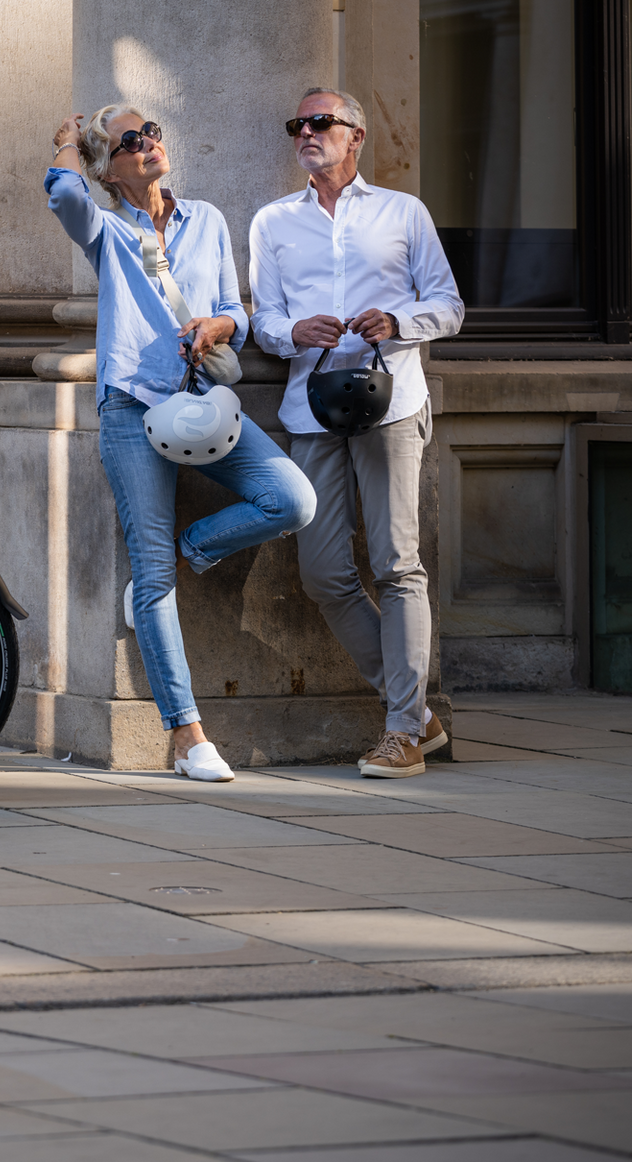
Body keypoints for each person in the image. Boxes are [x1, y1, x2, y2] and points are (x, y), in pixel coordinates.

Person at [47, 106, 317, 782]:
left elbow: (240, 311)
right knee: (154, 585)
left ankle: (182, 551)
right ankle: (187, 734)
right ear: (110, 168)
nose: (149, 147)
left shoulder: (209, 221)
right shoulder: (106, 229)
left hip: (202, 408)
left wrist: (221, 323)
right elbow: (63, 196)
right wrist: (66, 147)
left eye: (153, 134)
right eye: (130, 143)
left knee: (292, 497)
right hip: (133, 411)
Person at [248, 87, 464, 779]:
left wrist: (398, 324)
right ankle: (419, 714)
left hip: (392, 402)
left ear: (356, 136)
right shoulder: (273, 222)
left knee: (399, 563)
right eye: (299, 125)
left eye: (322, 123)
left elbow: (448, 305)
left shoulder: (404, 213)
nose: (307, 133)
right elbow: (264, 320)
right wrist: (292, 333)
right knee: (323, 572)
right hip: (312, 409)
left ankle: (402, 728)